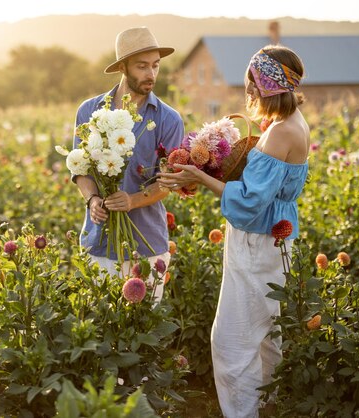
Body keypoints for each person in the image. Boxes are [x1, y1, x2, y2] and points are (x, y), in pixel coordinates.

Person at [157, 45, 310, 417]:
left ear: (266, 84)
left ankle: (243, 413)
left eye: (252, 83)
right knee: (265, 338)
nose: (250, 91)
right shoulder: (289, 125)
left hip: (258, 243)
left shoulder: (280, 133)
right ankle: (270, 407)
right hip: (272, 240)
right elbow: (262, 188)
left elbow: (247, 201)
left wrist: (200, 178)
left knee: (232, 343)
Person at [72, 27, 184, 303]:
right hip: (98, 242)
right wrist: (92, 199)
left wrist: (132, 200)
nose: (151, 74)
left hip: (146, 245)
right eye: (142, 66)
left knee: (144, 329)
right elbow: (80, 168)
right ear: (122, 67)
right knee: (99, 328)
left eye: (156, 65)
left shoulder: (169, 120)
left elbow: (168, 182)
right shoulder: (90, 111)